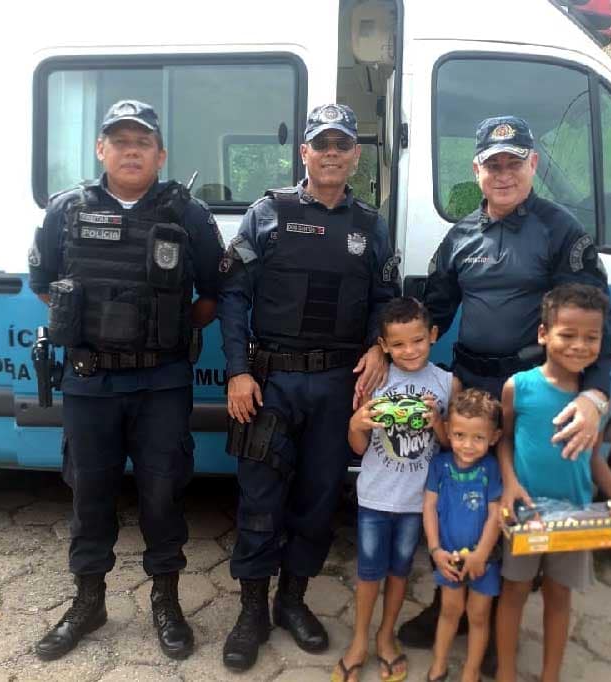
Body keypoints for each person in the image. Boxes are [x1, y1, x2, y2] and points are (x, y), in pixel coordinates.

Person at [405, 116, 611, 671]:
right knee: (461, 493)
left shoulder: (559, 230)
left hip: (526, 395)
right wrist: (390, 353)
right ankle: (446, 599)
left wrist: (595, 396)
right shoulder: (460, 236)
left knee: (511, 498)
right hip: (472, 387)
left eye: (514, 162)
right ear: (476, 170)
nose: (503, 173)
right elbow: (434, 312)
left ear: (533, 166)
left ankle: (498, 621)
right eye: (492, 163)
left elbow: (598, 320)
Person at [20, 98, 223, 661]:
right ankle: (89, 601)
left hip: (162, 383)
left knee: (163, 493)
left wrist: (163, 334)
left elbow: (211, 293)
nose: (131, 150)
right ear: (100, 149)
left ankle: (166, 598)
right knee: (90, 494)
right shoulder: (66, 210)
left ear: (160, 153)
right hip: (90, 383)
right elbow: (43, 283)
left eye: (142, 142)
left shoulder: (189, 215)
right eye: (120, 140)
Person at [216, 103, 398, 670]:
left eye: (342, 145)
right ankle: (251, 611)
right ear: (305, 153)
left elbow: (385, 301)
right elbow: (233, 297)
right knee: (260, 500)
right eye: (321, 144)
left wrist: (377, 345)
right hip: (270, 384)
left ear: (355, 156)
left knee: (318, 500)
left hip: (337, 387)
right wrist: (237, 372)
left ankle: (292, 602)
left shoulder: (371, 225)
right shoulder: (266, 214)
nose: (331, 154)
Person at [495, 284, 611, 682]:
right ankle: (504, 672)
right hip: (526, 512)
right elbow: (503, 440)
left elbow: (590, 458)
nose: (578, 346)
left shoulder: (592, 403)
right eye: (567, 334)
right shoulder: (518, 387)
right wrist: (508, 484)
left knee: (559, 597)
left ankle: (549, 675)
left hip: (574, 515)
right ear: (543, 334)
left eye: (591, 338)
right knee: (514, 593)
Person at [335, 297, 456, 682]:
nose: (410, 351)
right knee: (369, 572)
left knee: (400, 571)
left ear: (433, 336)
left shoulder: (445, 382)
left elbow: (452, 444)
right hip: (373, 496)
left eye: (418, 340)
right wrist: (356, 422)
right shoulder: (376, 379)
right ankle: (359, 641)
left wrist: (436, 420)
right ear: (384, 345)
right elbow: (357, 446)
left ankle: (387, 637)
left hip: (417, 501)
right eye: (399, 344)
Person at [421, 389, 504, 682]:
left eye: (478, 437)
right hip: (448, 558)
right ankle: (439, 664)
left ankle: (470, 672)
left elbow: (496, 514)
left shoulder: (491, 469)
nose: (467, 445)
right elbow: (429, 507)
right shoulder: (440, 465)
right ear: (447, 431)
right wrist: (435, 551)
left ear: (493, 437)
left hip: (484, 559)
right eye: (459, 435)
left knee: (479, 616)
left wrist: (482, 553)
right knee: (449, 610)